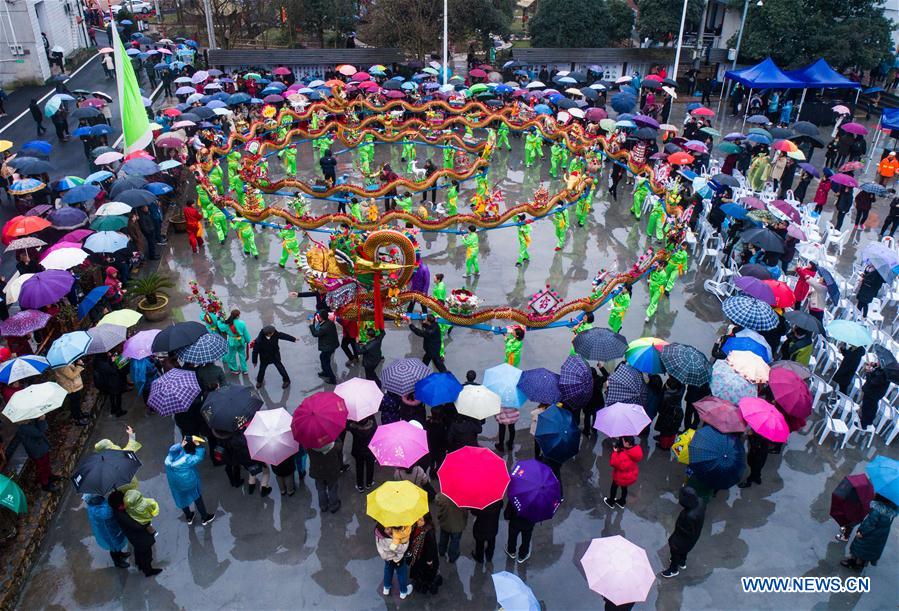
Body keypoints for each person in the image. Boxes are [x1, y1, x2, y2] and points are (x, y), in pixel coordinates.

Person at [108, 490, 162, 577]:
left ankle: (139, 563)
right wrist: (146, 521)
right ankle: (148, 570)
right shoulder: (122, 515)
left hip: (134, 538)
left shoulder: (118, 511)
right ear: (120, 506)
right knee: (146, 553)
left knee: (138, 550)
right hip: (140, 537)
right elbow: (136, 526)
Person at [164, 437, 215, 526]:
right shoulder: (185, 460)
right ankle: (205, 517)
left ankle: (189, 516)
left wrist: (181, 446)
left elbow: (175, 453)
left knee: (182, 500)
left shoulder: (167, 461)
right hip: (189, 483)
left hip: (176, 485)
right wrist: (198, 445)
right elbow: (198, 457)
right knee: (197, 498)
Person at [660, 486, 707, 578]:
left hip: (681, 539)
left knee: (675, 551)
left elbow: (681, 530)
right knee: (684, 551)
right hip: (694, 536)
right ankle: (682, 562)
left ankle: (673, 569)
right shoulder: (701, 502)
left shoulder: (688, 516)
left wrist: (673, 540)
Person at [841, 495, 897, 570]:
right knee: (868, 551)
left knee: (860, 548)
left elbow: (869, 524)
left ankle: (853, 563)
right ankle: (861, 564)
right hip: (878, 538)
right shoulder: (891, 513)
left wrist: (861, 532)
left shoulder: (876, 511)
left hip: (868, 536)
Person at [83, 493, 130, 568]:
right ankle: (117, 562)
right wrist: (112, 503)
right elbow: (108, 514)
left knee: (117, 542)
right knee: (113, 546)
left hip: (111, 527)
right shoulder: (95, 509)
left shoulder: (98, 501)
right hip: (107, 531)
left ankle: (120, 553)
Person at [17, 416, 58, 492]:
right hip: (37, 451)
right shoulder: (24, 428)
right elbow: (39, 433)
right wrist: (41, 421)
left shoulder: (30, 422)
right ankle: (45, 484)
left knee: (46, 463)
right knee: (42, 467)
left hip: (42, 447)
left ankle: (49, 476)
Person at [251, 324, 296, 389]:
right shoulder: (259, 341)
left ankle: (286, 380)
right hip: (264, 358)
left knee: (281, 368)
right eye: (273, 332)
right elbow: (255, 351)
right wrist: (254, 361)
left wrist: (293, 339)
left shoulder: (275, 333)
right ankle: (259, 381)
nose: (274, 332)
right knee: (262, 370)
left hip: (275, 355)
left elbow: (283, 335)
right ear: (268, 334)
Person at [407, 514, 442, 594]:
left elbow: (431, 547)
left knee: (424, 572)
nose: (418, 522)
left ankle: (424, 584)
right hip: (417, 555)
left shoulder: (428, 532)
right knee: (419, 570)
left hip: (424, 557)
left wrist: (429, 560)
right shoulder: (416, 527)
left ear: (426, 521)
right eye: (418, 519)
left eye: (421, 520)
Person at [376, 523, 413, 598]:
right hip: (397, 559)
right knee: (402, 574)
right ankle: (403, 592)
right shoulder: (390, 540)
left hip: (387, 558)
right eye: (387, 529)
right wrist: (406, 542)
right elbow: (402, 549)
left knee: (388, 571)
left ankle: (386, 588)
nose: (390, 529)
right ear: (383, 530)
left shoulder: (378, 533)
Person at [605, 436, 643, 508]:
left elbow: (614, 463)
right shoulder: (636, 449)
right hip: (629, 476)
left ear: (627, 443)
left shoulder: (624, 456)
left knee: (614, 487)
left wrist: (615, 452)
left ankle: (611, 502)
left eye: (623, 441)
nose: (622, 442)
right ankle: (622, 502)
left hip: (621, 476)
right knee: (624, 488)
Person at [308, 438, 343, 513]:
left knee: (320, 489)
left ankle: (323, 506)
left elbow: (305, 450)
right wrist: (337, 438)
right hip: (331, 471)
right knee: (333, 488)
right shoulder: (333, 445)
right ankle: (334, 505)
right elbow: (339, 447)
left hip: (317, 471)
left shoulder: (308, 445)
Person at [435, 491, 467, 563]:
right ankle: (452, 557)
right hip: (458, 525)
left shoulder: (444, 494)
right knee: (455, 541)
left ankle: (441, 552)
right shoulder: (465, 496)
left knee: (443, 538)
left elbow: (436, 501)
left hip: (445, 522)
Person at [348, 414, 377, 492]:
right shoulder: (372, 425)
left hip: (358, 450)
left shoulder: (353, 427)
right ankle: (369, 483)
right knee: (370, 466)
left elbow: (348, 426)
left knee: (359, 467)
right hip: (369, 449)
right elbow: (376, 428)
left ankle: (360, 485)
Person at [55, 360, 89, 425]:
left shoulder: (64, 362)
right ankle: (77, 419)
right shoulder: (61, 365)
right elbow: (72, 376)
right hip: (70, 387)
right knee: (74, 404)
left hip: (73, 386)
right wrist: (79, 366)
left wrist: (77, 365)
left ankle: (80, 414)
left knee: (77, 401)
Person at [218, 309, 251, 375]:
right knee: (242, 355)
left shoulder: (228, 324)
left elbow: (221, 327)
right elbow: (246, 333)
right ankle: (244, 370)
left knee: (232, 355)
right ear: (238, 316)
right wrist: (247, 340)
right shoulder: (242, 323)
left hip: (232, 342)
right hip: (241, 341)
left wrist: (219, 320)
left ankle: (234, 369)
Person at [310, 309, 339, 384]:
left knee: (326, 362)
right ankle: (325, 372)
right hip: (331, 345)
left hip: (328, 347)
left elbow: (315, 334)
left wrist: (311, 324)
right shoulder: (329, 322)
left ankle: (332, 379)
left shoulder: (324, 327)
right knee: (323, 357)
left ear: (321, 318)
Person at [859, 358, 889, 428]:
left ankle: (864, 424)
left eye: (879, 361)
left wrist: (868, 372)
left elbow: (873, 382)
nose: (877, 362)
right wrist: (873, 365)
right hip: (871, 392)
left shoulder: (884, 374)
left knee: (868, 409)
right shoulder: (881, 369)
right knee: (866, 407)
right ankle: (863, 421)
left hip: (873, 394)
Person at [470, 499, 502, 564]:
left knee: (479, 545)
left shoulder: (479, 501)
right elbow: (501, 506)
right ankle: (489, 557)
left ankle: (479, 558)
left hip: (480, 528)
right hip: (493, 527)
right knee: (491, 543)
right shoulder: (498, 500)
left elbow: (473, 512)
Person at [504, 499, 535, 563]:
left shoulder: (515, 497)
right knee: (526, 539)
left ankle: (511, 551)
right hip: (528, 524)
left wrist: (507, 517)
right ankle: (523, 555)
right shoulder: (537, 500)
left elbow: (507, 513)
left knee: (512, 537)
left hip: (515, 522)